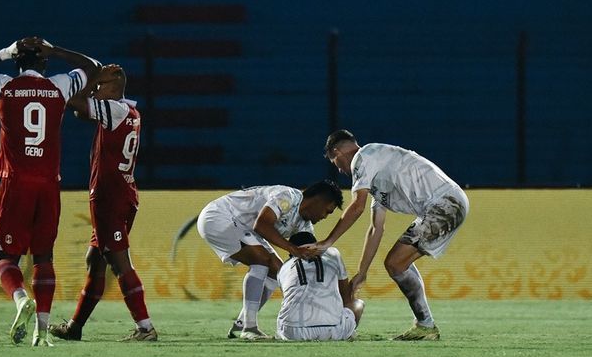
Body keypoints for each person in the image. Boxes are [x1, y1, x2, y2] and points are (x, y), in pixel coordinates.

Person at [0, 37, 101, 346]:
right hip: (49, 183)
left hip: (15, 181)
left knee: (5, 257)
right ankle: (42, 330)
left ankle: (21, 298)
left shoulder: (2, 84)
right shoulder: (60, 86)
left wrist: (3, 52)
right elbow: (93, 68)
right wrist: (58, 50)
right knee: (43, 257)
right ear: (44, 63)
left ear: (16, 61)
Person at [311, 129, 469, 340]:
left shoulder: (364, 157)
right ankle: (425, 325)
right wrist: (362, 272)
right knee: (397, 264)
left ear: (337, 152)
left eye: (334, 163)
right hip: (446, 202)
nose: (339, 170)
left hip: (444, 203)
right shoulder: (379, 173)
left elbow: (357, 206)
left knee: (395, 263)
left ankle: (426, 325)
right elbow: (376, 229)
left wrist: (328, 241)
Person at [49, 64, 157, 342]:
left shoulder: (115, 110)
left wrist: (82, 80)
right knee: (95, 260)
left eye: (100, 84)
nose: (95, 89)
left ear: (113, 87)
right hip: (124, 192)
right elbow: (79, 111)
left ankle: (145, 328)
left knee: (120, 262)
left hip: (109, 196)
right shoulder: (130, 110)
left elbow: (72, 102)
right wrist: (94, 83)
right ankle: (75, 328)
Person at [196, 180, 343, 340]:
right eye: (327, 211)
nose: (325, 217)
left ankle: (240, 325)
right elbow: (262, 225)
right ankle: (249, 328)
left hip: (242, 227)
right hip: (219, 216)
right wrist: (293, 249)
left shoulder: (304, 226)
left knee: (277, 271)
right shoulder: (287, 197)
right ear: (319, 200)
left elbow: (302, 256)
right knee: (261, 260)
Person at [276, 231, 364, 341]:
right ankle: (349, 332)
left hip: (292, 332)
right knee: (358, 304)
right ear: (316, 245)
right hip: (333, 330)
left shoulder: (284, 268)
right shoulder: (333, 254)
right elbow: (346, 299)